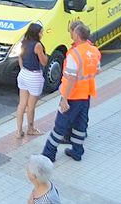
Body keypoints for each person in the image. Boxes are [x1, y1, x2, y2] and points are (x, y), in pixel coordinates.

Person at [41, 21, 101, 162]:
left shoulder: (74, 54)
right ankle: (77, 151)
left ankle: (49, 154)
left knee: (60, 126)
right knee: (81, 124)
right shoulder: (94, 51)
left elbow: (71, 79)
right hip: (86, 95)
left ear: (77, 35)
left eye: (72, 32)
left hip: (73, 96)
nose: (71, 34)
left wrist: (64, 99)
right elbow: (97, 70)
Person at [15, 23, 49, 138]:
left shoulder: (23, 42)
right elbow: (43, 62)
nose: (42, 34)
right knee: (31, 106)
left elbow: (19, 57)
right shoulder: (37, 45)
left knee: (22, 104)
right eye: (41, 32)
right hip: (34, 76)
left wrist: (22, 70)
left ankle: (19, 131)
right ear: (36, 33)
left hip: (23, 74)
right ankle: (30, 128)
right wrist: (46, 56)